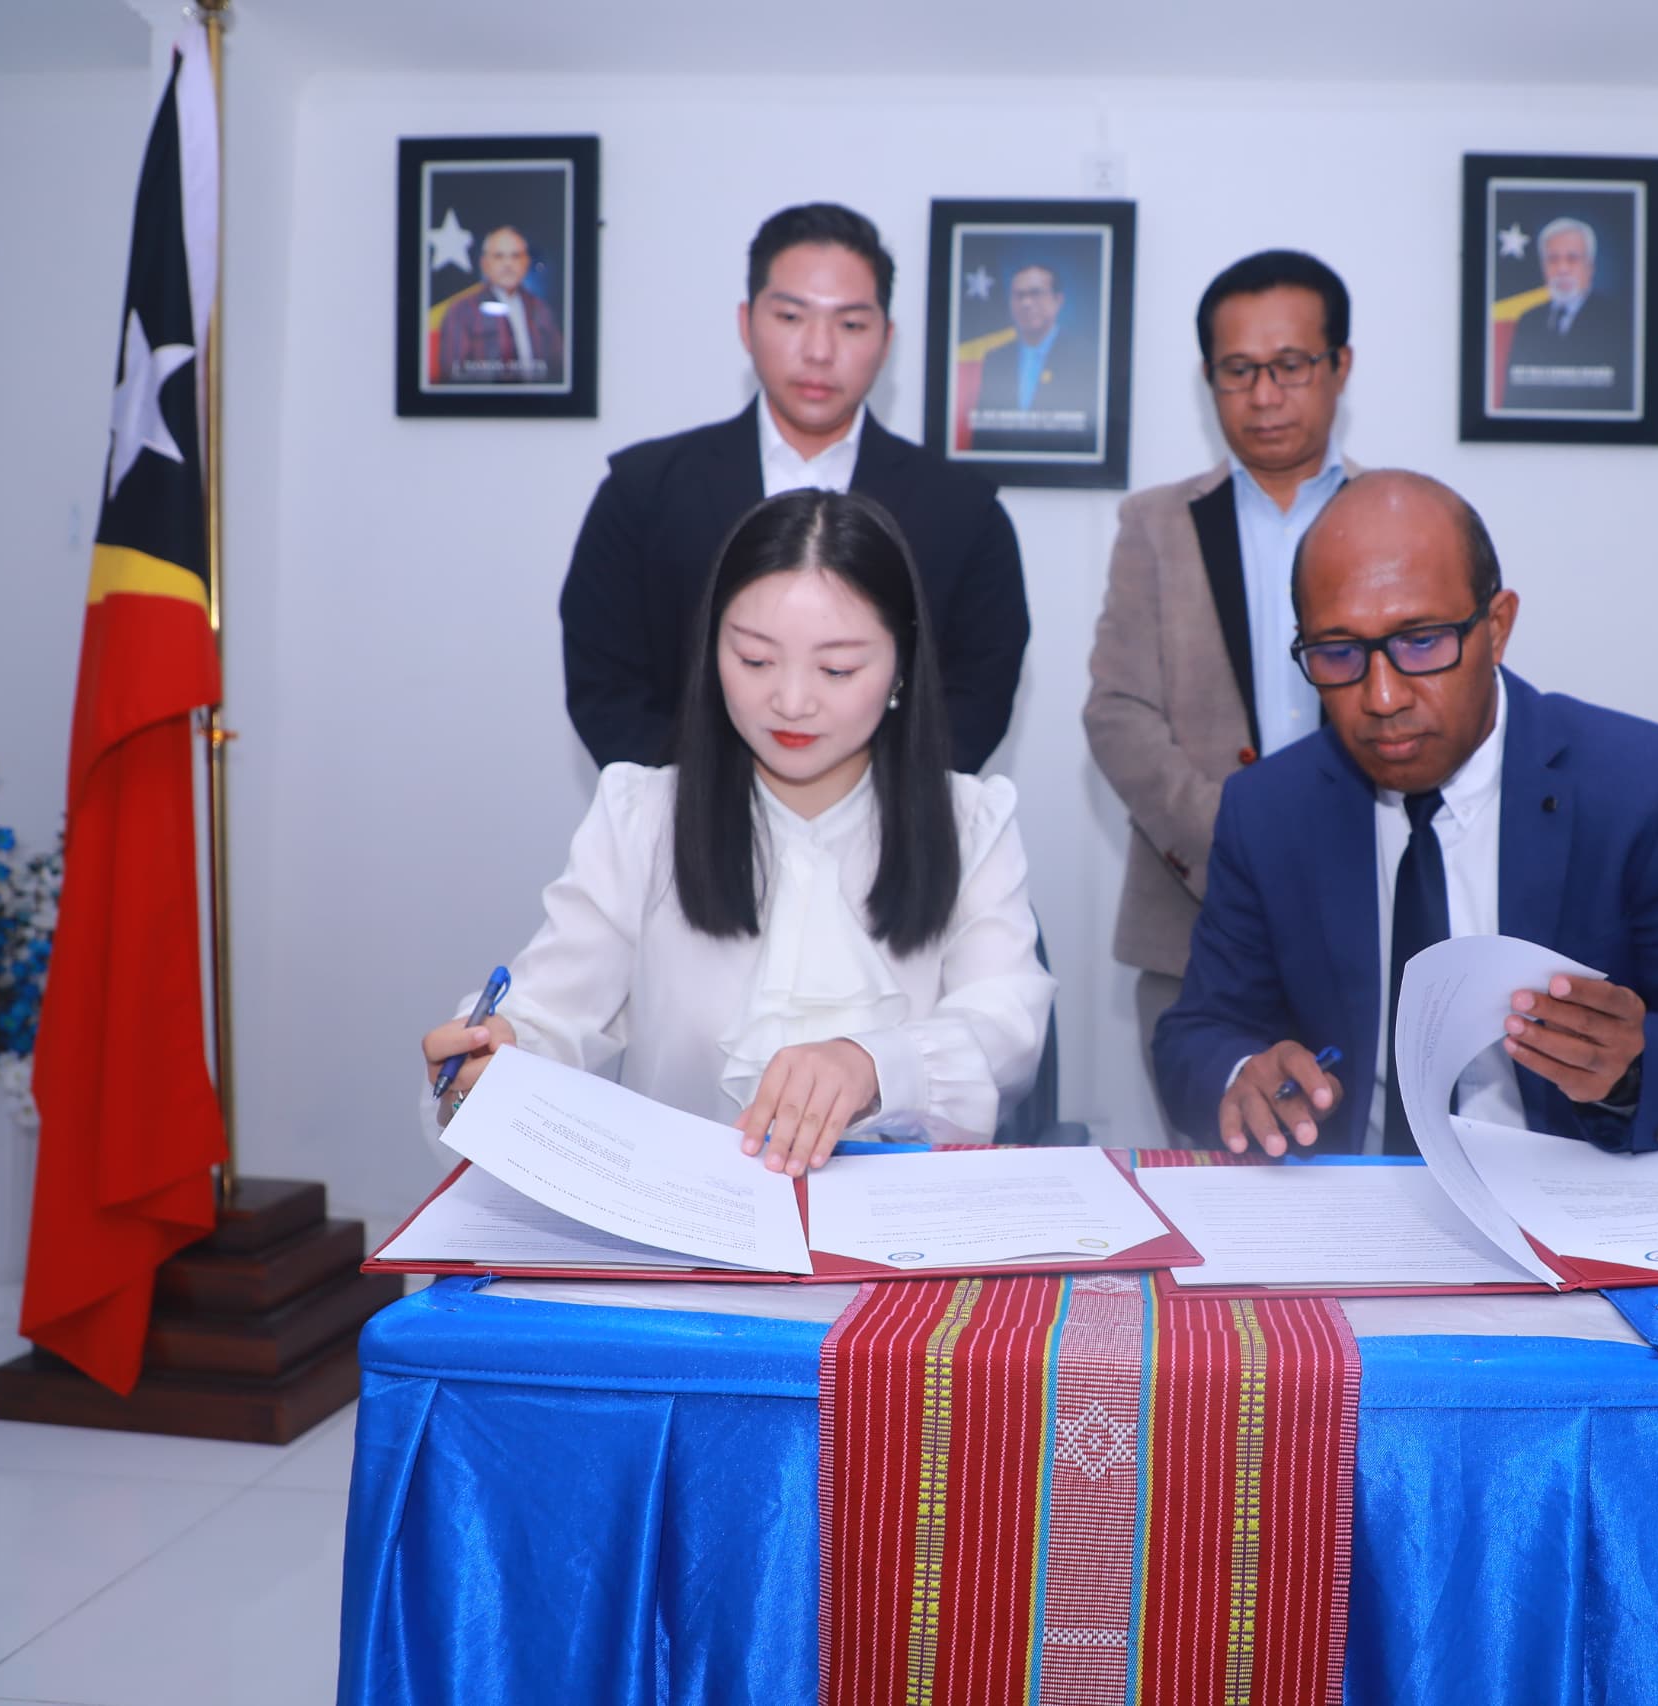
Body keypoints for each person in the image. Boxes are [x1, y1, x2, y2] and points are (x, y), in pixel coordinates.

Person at [1151, 471, 1658, 1338]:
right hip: (1347, 1254)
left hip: (1589, 1253)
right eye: (1338, 653)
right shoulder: (1272, 810)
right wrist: (1244, 1076)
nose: (1380, 697)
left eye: (1420, 642)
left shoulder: (1647, 789)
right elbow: (1197, 1032)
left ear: (1497, 628)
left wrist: (1636, 1063)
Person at [427, 489, 1055, 1176]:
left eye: (837, 669)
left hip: (903, 1241)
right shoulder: (641, 815)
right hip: (679, 1232)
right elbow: (551, 1010)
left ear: (902, 664)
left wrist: (877, 1063)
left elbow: (1006, 1028)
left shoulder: (971, 822)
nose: (790, 700)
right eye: (755, 660)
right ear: (712, 647)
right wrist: (499, 1053)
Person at [560, 203, 1029, 774]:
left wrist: (859, 813)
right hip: (683, 830)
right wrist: (711, 810)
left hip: (891, 838)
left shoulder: (964, 512)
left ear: (886, 340)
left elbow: (975, 697)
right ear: (746, 323)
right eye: (790, 317)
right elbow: (605, 688)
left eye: (851, 324)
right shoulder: (642, 492)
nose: (819, 351)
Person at [1082, 250, 1357, 1100]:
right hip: (1194, 928)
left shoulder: (1397, 519)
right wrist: (1239, 844)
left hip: (1367, 917)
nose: (1265, 394)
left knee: (1371, 1177)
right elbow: (1118, 716)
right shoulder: (1155, 523)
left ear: (1339, 366)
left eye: (1290, 366)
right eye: (1239, 371)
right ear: (1209, 377)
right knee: (1214, 1186)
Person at [967, 261, 1099, 455]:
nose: (1026, 303)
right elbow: (982, 435)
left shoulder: (1085, 358)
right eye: (1019, 296)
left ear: (1058, 300)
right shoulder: (996, 358)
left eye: (1036, 293)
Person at [1502, 216, 1632, 412]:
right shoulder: (1528, 320)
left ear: (1590, 267)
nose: (1562, 269)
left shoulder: (1618, 321)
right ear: (1543, 267)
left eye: (1572, 259)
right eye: (1553, 259)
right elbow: (1513, 397)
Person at [436, 224, 565, 385]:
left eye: (515, 256)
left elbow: (559, 370)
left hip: (539, 406)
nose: (508, 264)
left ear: (526, 262)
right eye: (499, 256)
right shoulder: (461, 312)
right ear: (484, 263)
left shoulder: (541, 310)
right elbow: (452, 374)